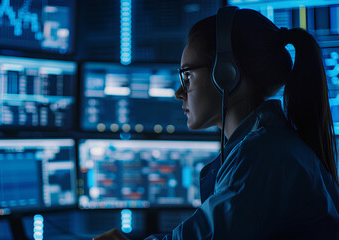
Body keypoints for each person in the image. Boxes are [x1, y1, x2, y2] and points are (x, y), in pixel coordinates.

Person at [94, 7, 339, 240]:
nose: (179, 92)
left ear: (226, 73)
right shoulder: (266, 145)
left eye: (187, 75)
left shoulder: (262, 155)